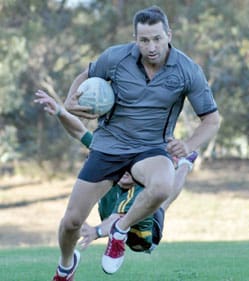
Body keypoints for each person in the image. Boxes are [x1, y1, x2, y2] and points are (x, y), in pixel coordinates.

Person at [50, 5, 220, 280]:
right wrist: (70, 99)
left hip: (150, 148)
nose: (151, 46)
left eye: (157, 38)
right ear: (135, 39)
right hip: (108, 146)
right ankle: (66, 264)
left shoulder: (187, 70)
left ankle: (120, 230)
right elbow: (87, 73)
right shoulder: (115, 58)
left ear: (168, 35)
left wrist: (188, 145)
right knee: (71, 221)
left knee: (163, 185)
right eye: (144, 40)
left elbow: (212, 120)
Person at [34, 90, 198, 254]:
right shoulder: (110, 158)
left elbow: (117, 219)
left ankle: (183, 165)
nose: (125, 170)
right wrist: (60, 111)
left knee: (162, 203)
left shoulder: (138, 189)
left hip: (142, 237)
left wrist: (96, 232)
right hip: (115, 218)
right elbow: (80, 131)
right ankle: (181, 163)